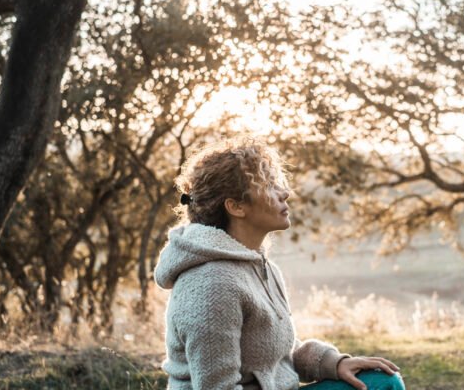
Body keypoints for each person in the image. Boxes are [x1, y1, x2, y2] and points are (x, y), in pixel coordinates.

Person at [154, 139, 405, 390]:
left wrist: (334, 363)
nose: (284, 193)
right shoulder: (212, 284)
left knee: (382, 382)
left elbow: (275, 353)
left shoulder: (259, 266)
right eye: (268, 186)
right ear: (236, 206)